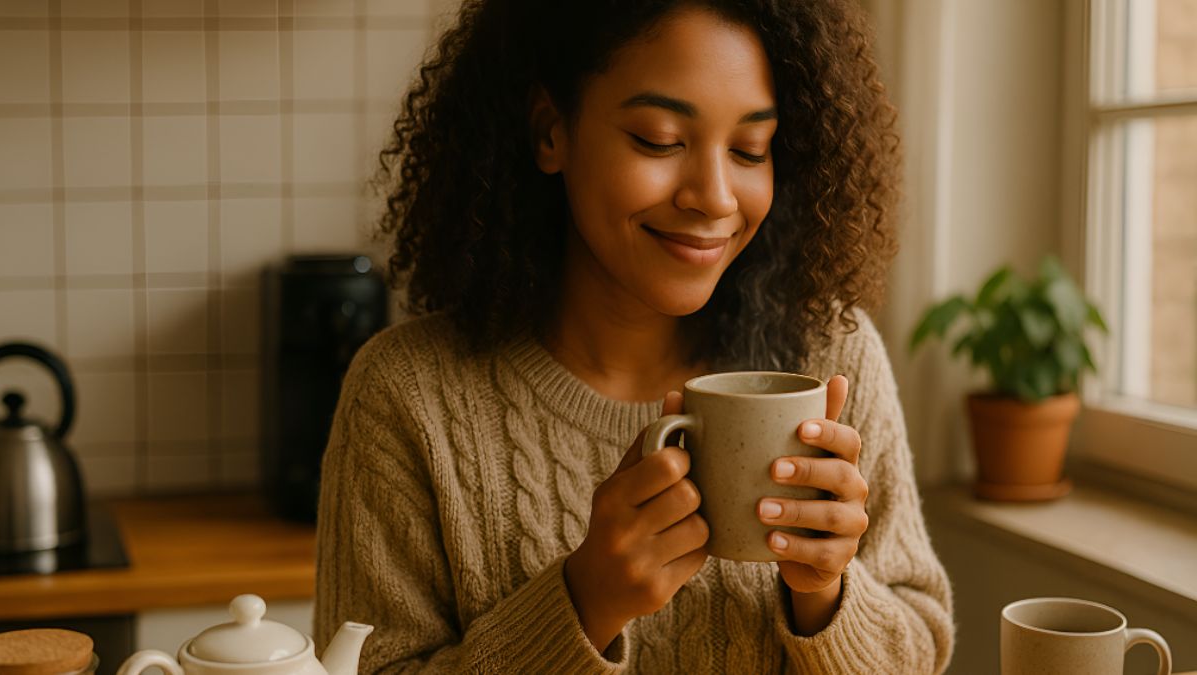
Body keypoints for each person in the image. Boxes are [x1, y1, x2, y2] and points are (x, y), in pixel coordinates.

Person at [314, 0, 954, 672]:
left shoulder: (829, 359)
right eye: (658, 139)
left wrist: (825, 592)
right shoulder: (407, 396)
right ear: (549, 130)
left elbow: (921, 641)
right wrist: (582, 603)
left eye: (749, 149)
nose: (714, 196)